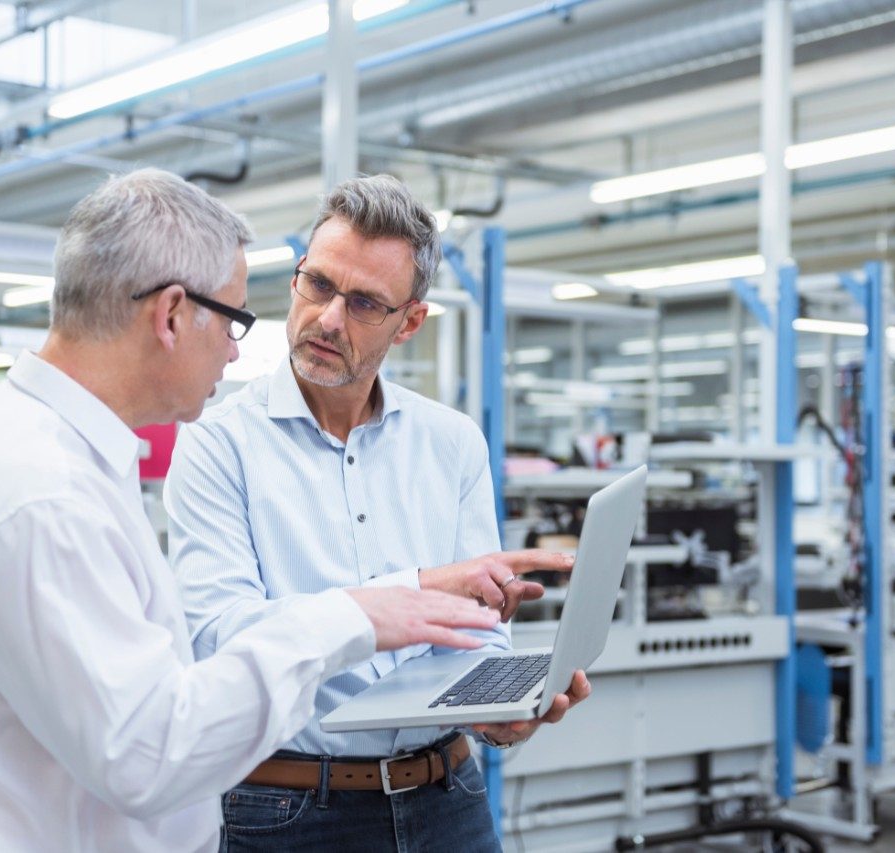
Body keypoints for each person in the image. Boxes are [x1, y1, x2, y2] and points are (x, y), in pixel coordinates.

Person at [0, 168, 501, 853]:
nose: (239, 347)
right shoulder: (39, 494)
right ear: (172, 314)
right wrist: (355, 615)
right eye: (235, 319)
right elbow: (150, 750)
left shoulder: (64, 464)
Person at [165, 174, 591, 851]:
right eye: (319, 284)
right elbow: (219, 637)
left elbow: (478, 621)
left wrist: (497, 707)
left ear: (410, 321)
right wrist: (411, 591)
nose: (330, 317)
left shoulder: (450, 442)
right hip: (288, 809)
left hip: (449, 796)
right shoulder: (219, 445)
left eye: (365, 302)